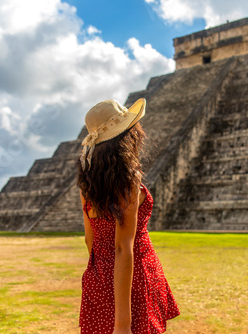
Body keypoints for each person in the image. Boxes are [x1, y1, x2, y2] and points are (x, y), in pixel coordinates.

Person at [76, 98, 180, 334]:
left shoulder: (87, 182)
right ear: (126, 135)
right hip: (133, 276)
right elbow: (123, 247)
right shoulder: (128, 180)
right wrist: (122, 323)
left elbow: (89, 239)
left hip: (98, 274)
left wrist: (100, 276)